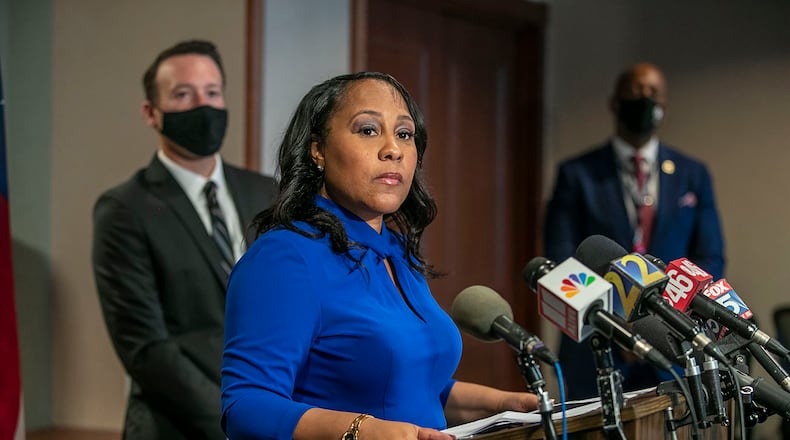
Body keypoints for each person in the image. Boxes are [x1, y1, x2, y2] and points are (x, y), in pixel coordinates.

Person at [221, 72, 538, 440]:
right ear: (317, 149)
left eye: (404, 134)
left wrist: (503, 406)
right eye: (368, 130)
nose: (393, 149)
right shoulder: (285, 258)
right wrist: (362, 430)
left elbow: (413, 383)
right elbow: (246, 406)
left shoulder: (398, 254)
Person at [92, 40, 277, 439]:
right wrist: (234, 422)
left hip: (276, 415)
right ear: (151, 113)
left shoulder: (267, 194)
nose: (202, 106)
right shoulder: (124, 209)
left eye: (212, 93)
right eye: (182, 94)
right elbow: (145, 349)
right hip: (178, 427)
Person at [543, 62, 725, 399]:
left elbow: (710, 257)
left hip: (673, 343)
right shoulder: (577, 174)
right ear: (615, 103)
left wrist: (660, 325)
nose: (644, 100)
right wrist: (619, 327)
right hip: (596, 345)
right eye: (635, 93)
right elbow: (561, 260)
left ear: (664, 108)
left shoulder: (692, 174)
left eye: (653, 95)